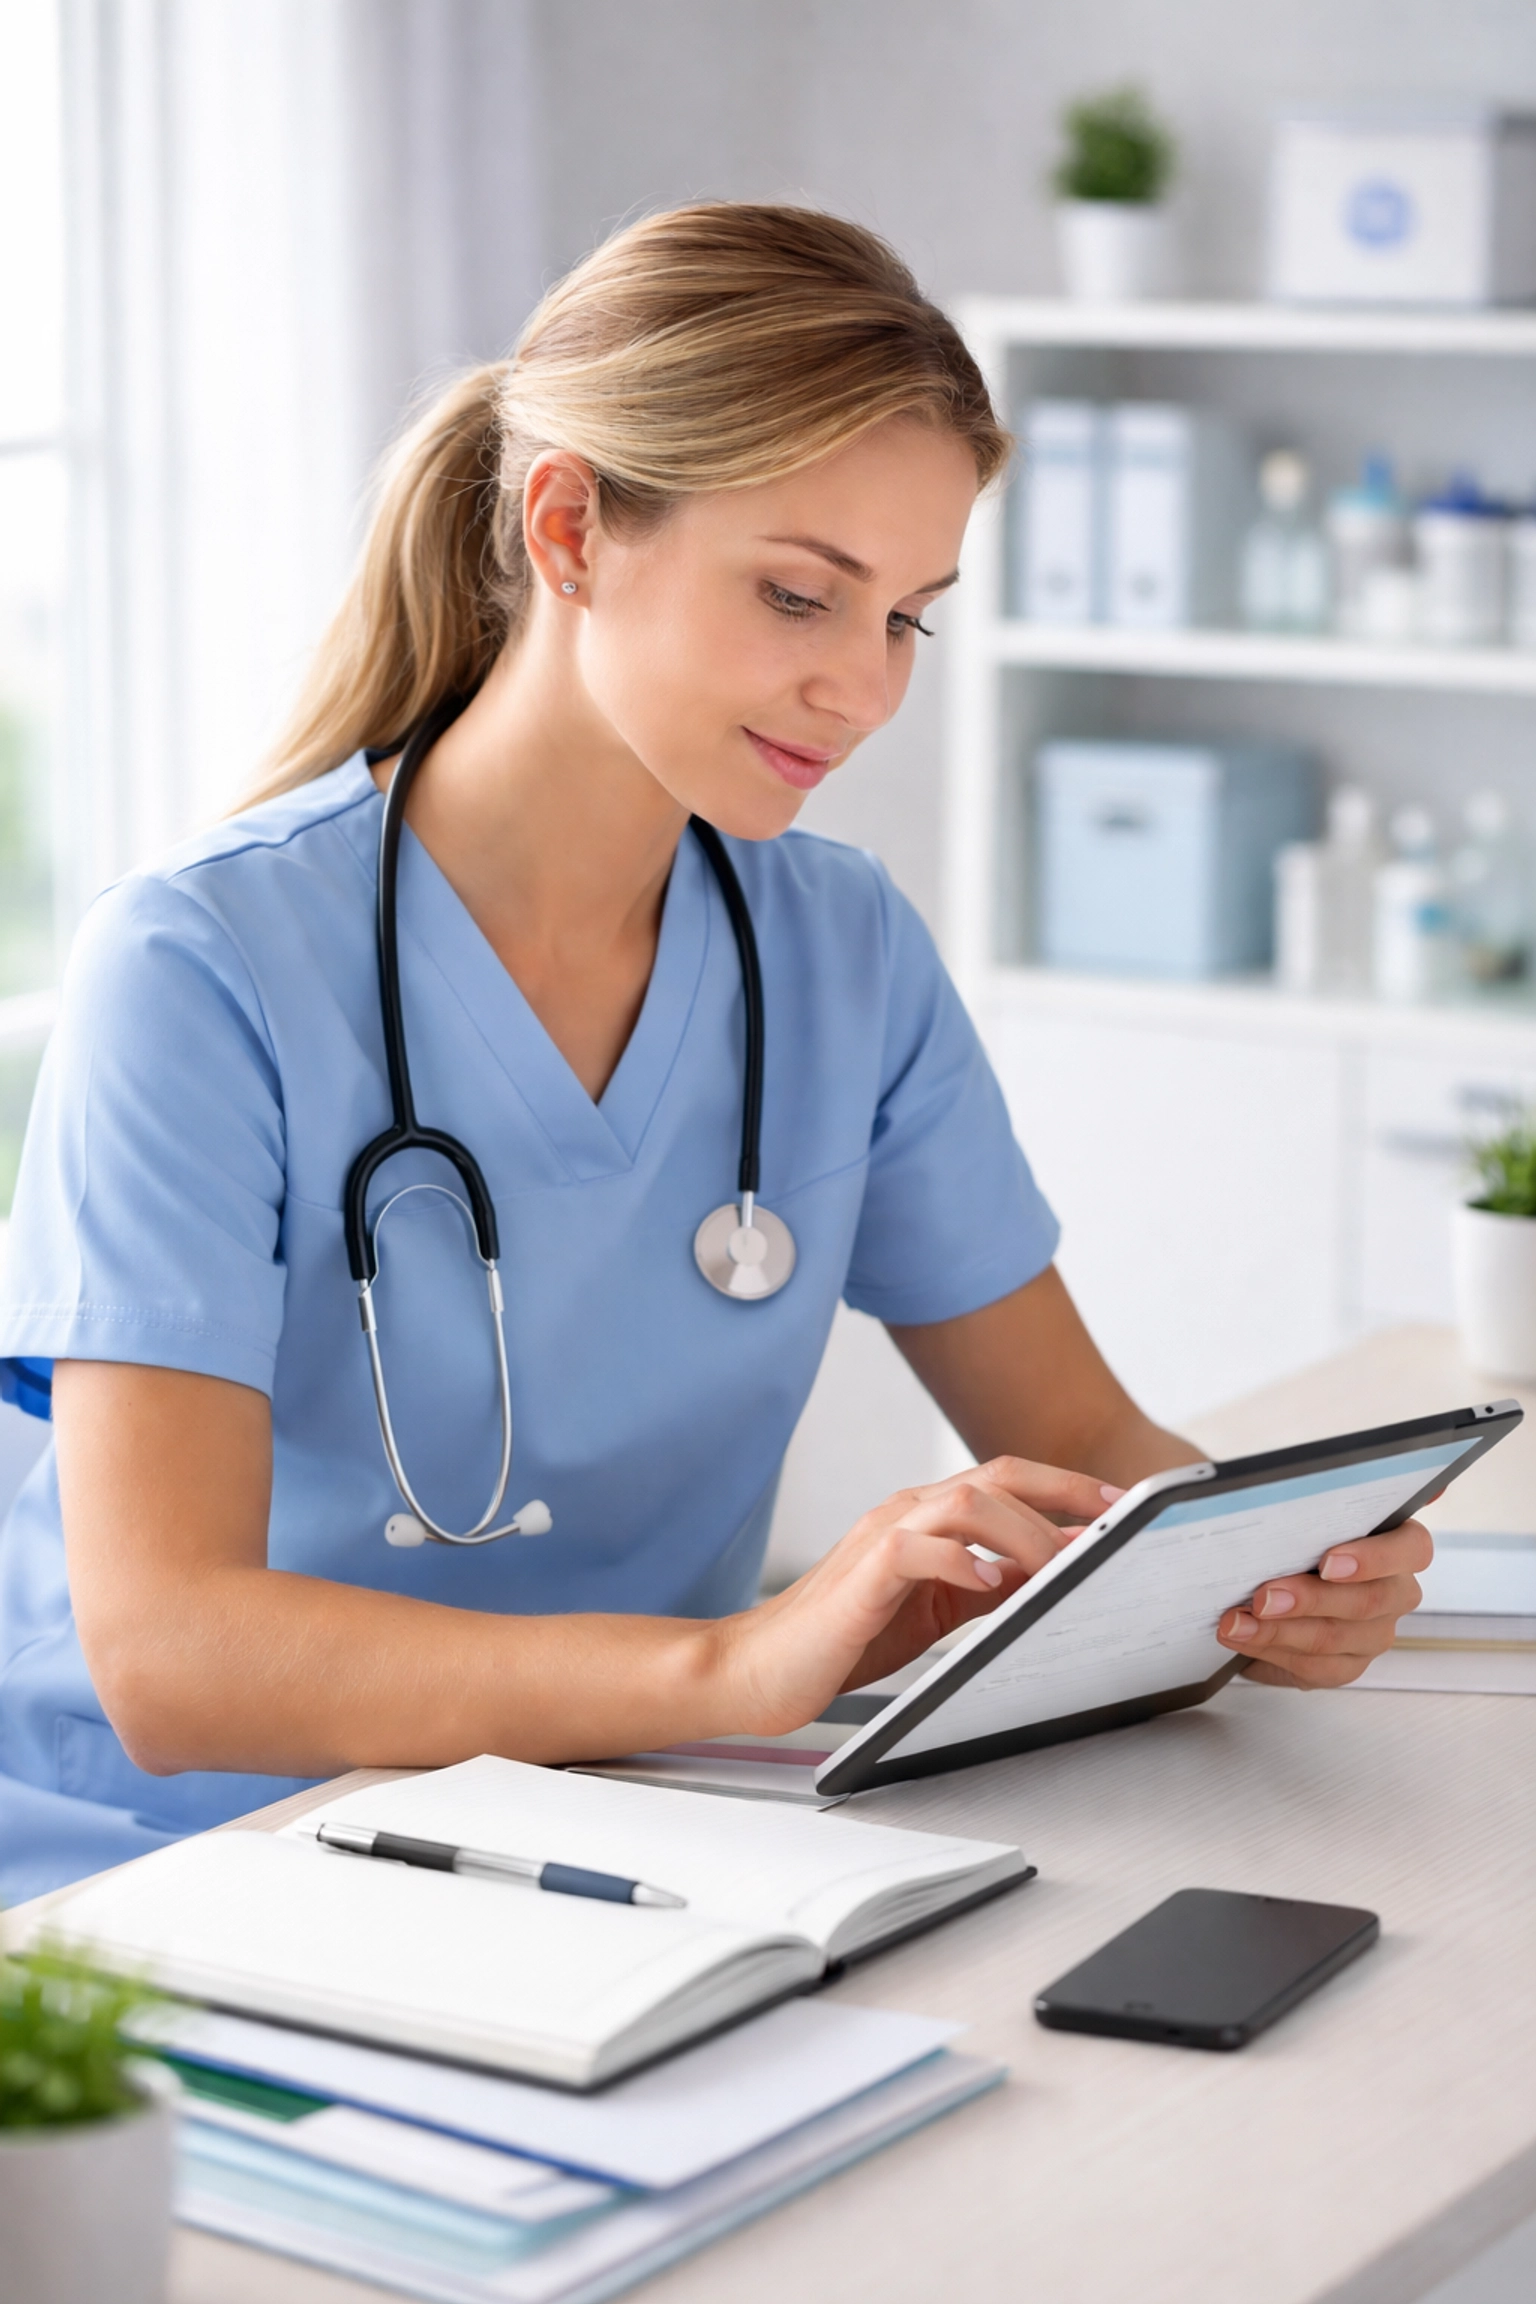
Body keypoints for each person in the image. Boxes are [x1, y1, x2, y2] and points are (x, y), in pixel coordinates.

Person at [0, 206, 1428, 1903]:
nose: (862, 690)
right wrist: (736, 1665)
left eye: (908, 617)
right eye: (800, 596)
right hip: (195, 1862)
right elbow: (174, 1661)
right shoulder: (198, 965)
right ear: (570, 526)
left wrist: (1265, 1567)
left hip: (625, 1832)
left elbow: (1079, 1430)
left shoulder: (840, 950)